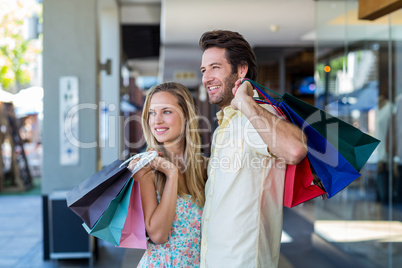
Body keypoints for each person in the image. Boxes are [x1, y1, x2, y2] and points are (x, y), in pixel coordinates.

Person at [199, 30, 307, 267]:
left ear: (241, 70)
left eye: (215, 67)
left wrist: (247, 102)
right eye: (204, 70)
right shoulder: (223, 128)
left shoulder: (256, 118)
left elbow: (295, 150)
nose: (206, 78)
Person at [128, 82, 208, 267]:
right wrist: (171, 174)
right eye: (152, 113)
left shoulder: (204, 167)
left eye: (166, 111)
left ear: (186, 115)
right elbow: (158, 235)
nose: (157, 121)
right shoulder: (145, 170)